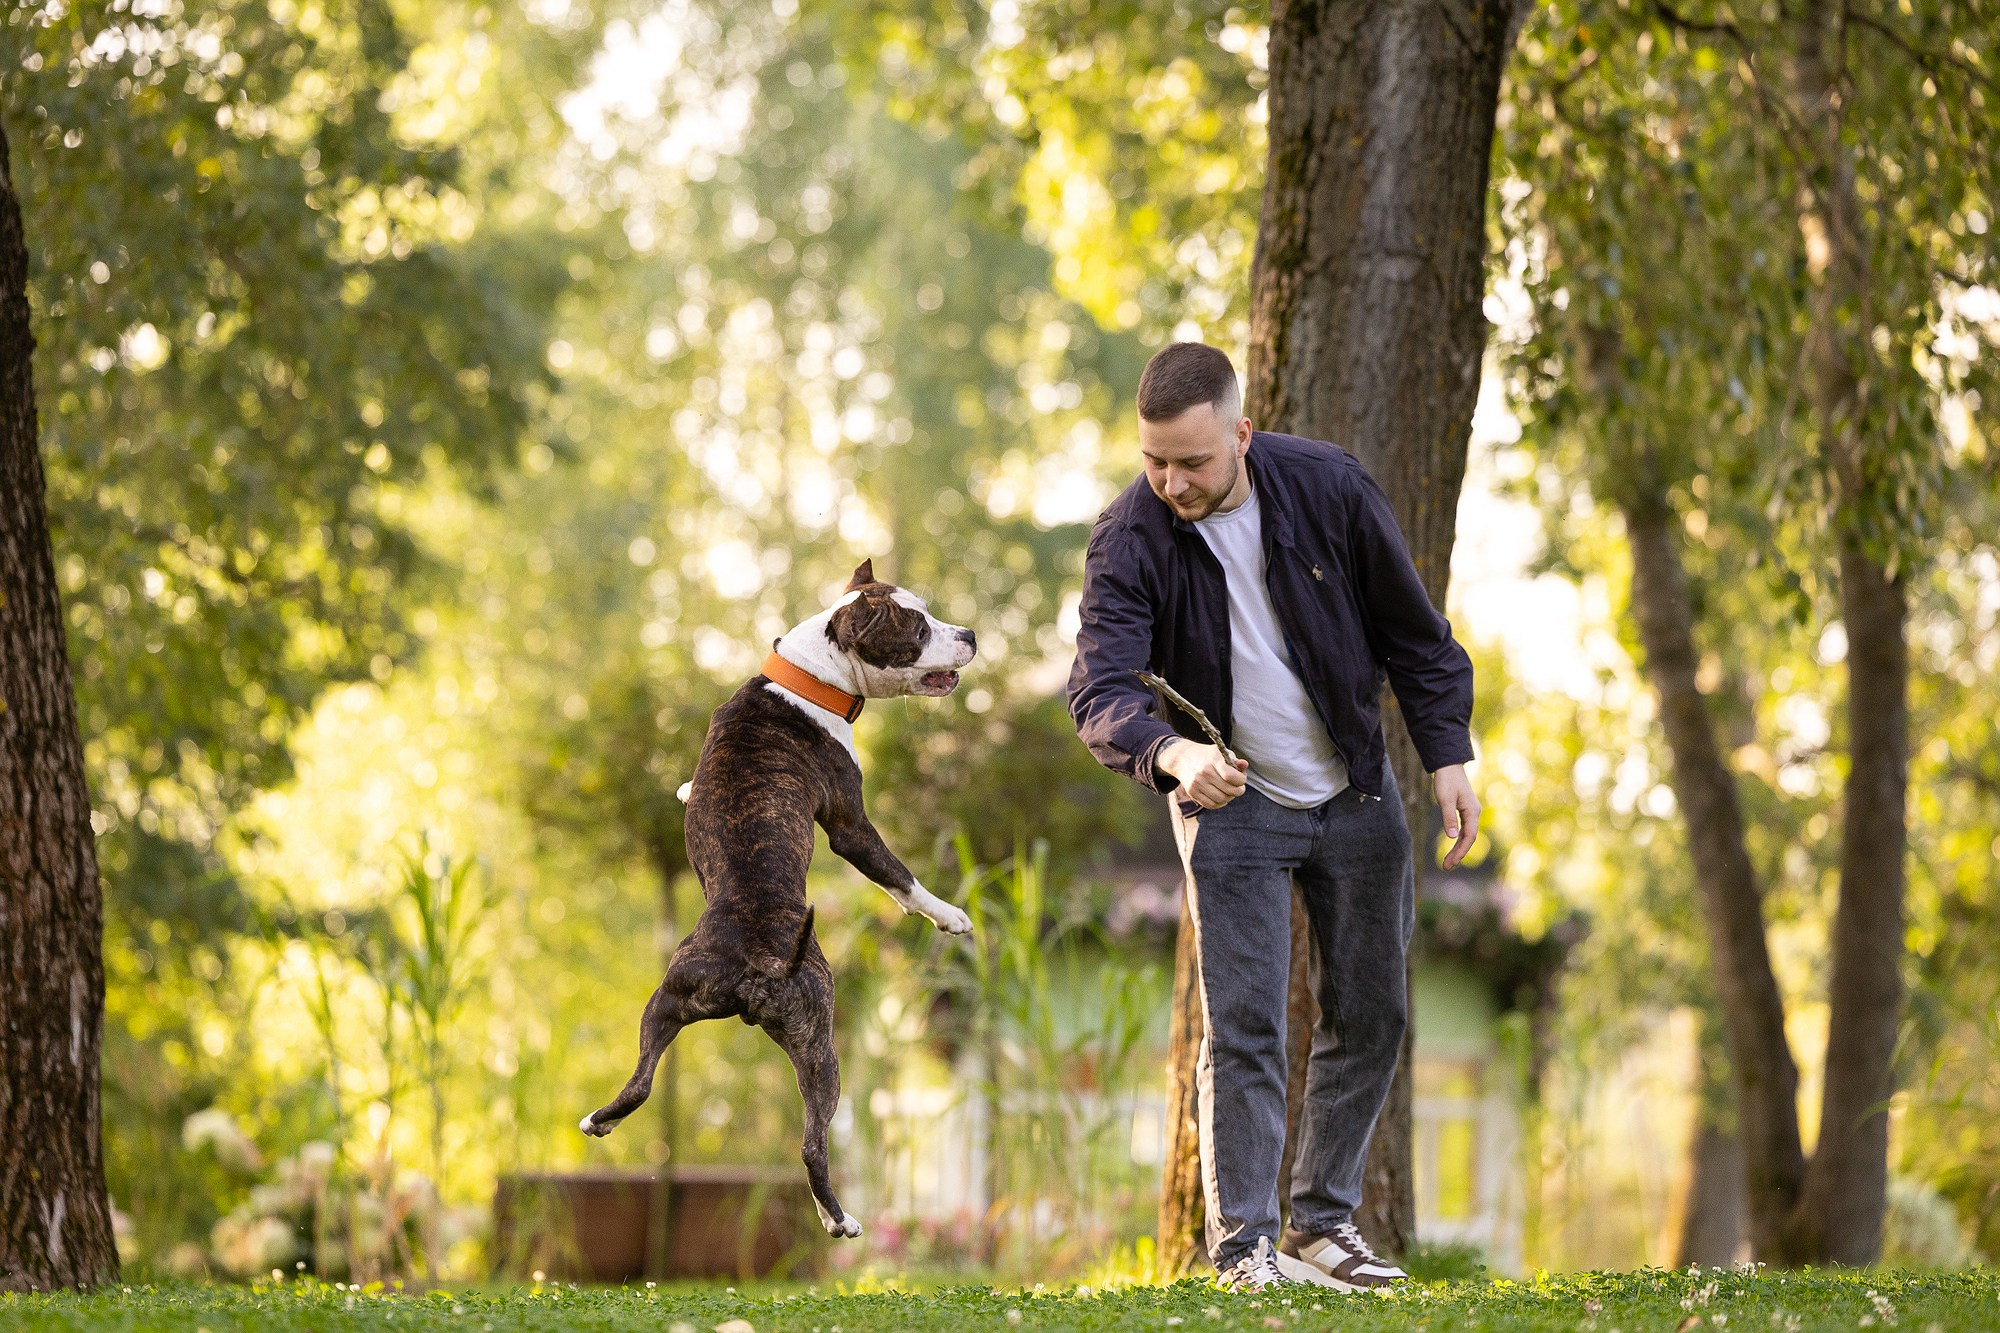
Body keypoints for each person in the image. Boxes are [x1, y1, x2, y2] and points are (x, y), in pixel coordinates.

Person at [1066, 343, 1481, 1292]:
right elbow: (1101, 688)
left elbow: (1416, 637)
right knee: (1247, 1023)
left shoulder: (1328, 487)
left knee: (1373, 1011)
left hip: (1355, 787)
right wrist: (1174, 754)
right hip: (1231, 797)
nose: (1171, 481)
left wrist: (1448, 754)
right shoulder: (1128, 537)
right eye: (1153, 460)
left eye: (1193, 462)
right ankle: (1245, 1245)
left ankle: (1323, 1227)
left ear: (1241, 433)